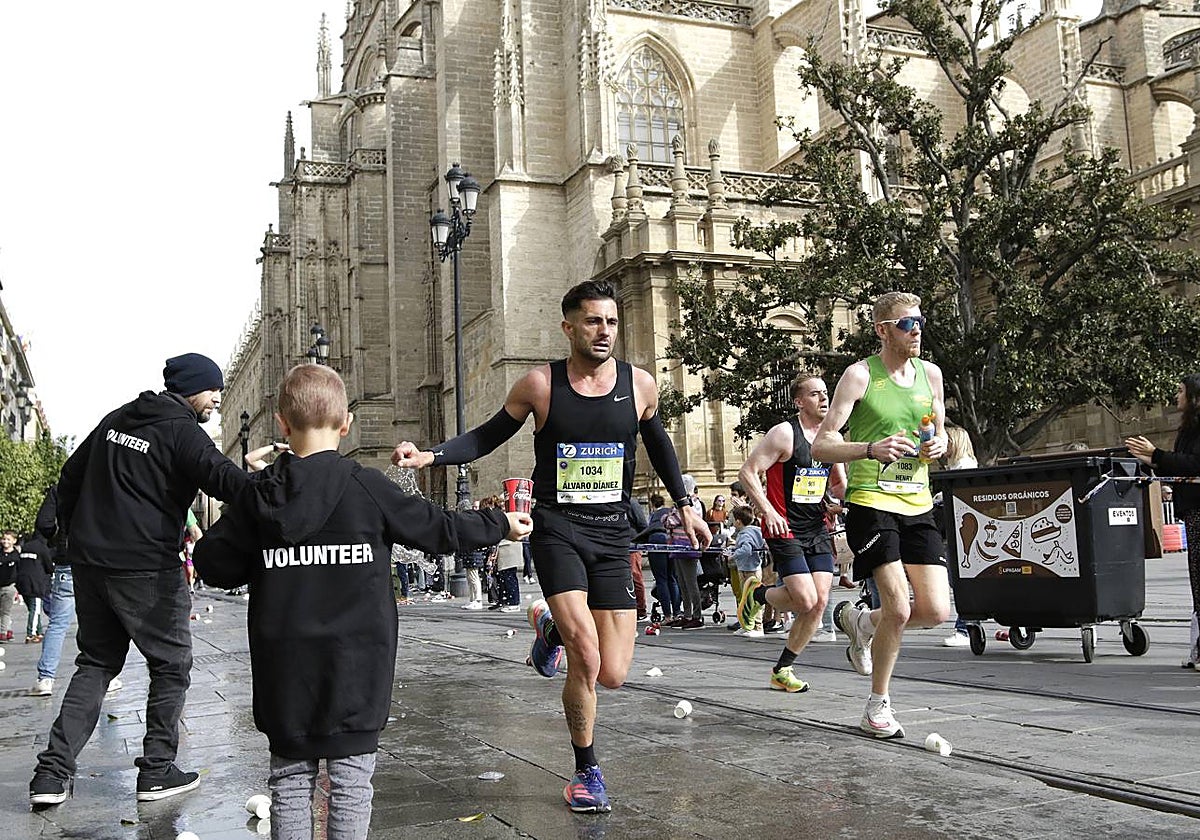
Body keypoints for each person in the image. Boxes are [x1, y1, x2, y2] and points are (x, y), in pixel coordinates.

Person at [392, 279, 710, 812]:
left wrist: (686, 504)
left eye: (610, 321)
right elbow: (487, 436)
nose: (604, 331)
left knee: (612, 674)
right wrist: (432, 456)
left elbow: (659, 443)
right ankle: (587, 771)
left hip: (614, 534)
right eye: (592, 321)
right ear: (569, 328)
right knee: (585, 657)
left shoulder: (641, 385)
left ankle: (548, 626)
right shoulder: (540, 386)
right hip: (559, 528)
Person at [193, 364, 530, 839]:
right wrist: (501, 524)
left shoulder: (258, 497)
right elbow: (439, 529)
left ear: (282, 424)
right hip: (358, 664)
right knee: (351, 781)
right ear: (346, 424)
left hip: (284, 667)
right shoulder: (367, 487)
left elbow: (212, 563)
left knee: (290, 781)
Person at [29, 353, 255, 807]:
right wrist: (285, 483)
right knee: (171, 665)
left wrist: (76, 537)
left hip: (91, 564)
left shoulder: (117, 420)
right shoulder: (181, 431)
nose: (218, 399)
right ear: (194, 388)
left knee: (95, 664)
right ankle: (156, 770)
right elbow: (227, 482)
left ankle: (50, 776)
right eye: (215, 389)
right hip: (148, 568)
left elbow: (69, 476)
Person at [813, 291, 951, 739]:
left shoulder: (931, 375)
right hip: (872, 500)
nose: (917, 331)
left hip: (918, 500)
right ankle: (877, 706)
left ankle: (859, 621)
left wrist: (939, 445)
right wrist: (871, 448)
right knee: (898, 605)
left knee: (933, 611)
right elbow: (822, 443)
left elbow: (941, 432)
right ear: (883, 330)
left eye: (920, 322)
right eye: (907, 324)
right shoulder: (859, 376)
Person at [736, 372, 847, 692]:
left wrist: (846, 495)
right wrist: (768, 510)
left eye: (825, 393)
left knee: (819, 601)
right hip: (783, 527)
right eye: (815, 394)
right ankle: (757, 594)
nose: (824, 399)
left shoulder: (832, 437)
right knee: (805, 599)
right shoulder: (784, 433)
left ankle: (782, 669)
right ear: (799, 402)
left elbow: (839, 484)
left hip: (816, 527)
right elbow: (748, 472)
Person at [1126, 373, 1200, 668]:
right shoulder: (1188, 429)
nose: (1176, 396)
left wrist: (1157, 454)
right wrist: (1154, 460)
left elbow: (1195, 464)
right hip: (1192, 512)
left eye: (1181, 391)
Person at [939, 426, 980, 647]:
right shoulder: (956, 466)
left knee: (961, 580)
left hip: (960, 532)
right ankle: (967, 624)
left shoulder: (964, 468)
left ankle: (964, 627)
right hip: (954, 531)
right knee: (957, 580)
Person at [727, 506, 766, 637]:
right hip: (751, 568)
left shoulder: (744, 534)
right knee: (747, 599)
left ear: (738, 521)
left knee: (753, 599)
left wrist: (733, 555)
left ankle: (757, 627)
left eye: (732, 519)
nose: (731, 521)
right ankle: (747, 625)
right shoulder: (755, 530)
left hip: (749, 570)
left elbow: (746, 549)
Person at [643, 493, 681, 623]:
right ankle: (677, 613)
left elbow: (646, 529)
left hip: (656, 541)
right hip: (670, 540)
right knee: (672, 578)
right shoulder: (670, 511)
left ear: (652, 504)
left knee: (661, 579)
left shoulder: (653, 516)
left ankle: (667, 616)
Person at [17, 530, 53, 642]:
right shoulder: (42, 547)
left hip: (22, 582)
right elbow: (49, 566)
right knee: (35, 609)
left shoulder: (25, 546)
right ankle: (31, 634)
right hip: (36, 583)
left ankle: (39, 631)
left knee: (32, 608)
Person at [0, 529, 18, 642]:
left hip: (10, 586)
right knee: (2, 611)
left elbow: (20, 571)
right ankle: (8, 630)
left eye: (8, 539)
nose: (5, 541)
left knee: (5, 611)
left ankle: (2, 633)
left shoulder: (16, 555)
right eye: (3, 539)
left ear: (14, 541)